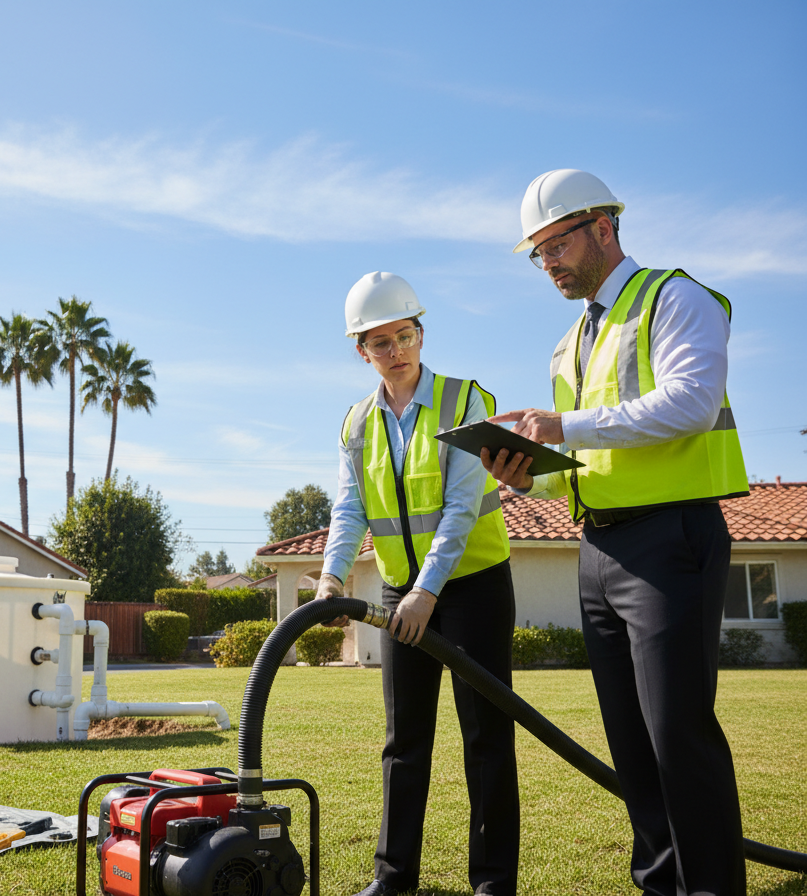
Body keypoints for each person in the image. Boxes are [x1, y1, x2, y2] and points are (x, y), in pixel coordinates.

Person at [483, 169, 749, 896]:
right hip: (597, 549)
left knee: (677, 736)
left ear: (604, 227)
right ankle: (661, 884)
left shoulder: (675, 297)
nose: (548, 264)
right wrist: (528, 470)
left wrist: (562, 425)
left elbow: (692, 403)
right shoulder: (568, 344)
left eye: (556, 245)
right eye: (537, 254)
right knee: (631, 746)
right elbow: (588, 454)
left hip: (672, 540)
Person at [316, 271, 520, 896]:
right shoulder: (356, 422)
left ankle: (491, 883)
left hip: (473, 587)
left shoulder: (465, 401)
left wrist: (427, 594)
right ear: (362, 351)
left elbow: (461, 510)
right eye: (381, 342)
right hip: (398, 591)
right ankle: (393, 877)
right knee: (404, 742)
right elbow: (350, 509)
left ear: (422, 333)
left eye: (405, 335)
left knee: (486, 738)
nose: (397, 350)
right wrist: (330, 577)